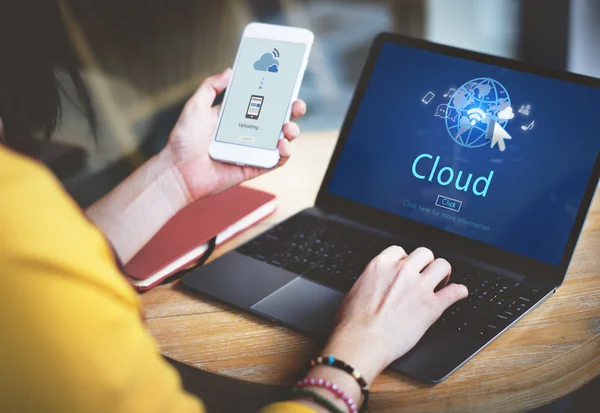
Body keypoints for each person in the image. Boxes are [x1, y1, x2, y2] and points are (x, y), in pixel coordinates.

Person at [0, 2, 468, 412]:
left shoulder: (21, 207)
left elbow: (53, 253)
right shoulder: (17, 217)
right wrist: (360, 348)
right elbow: (34, 267)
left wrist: (175, 176)